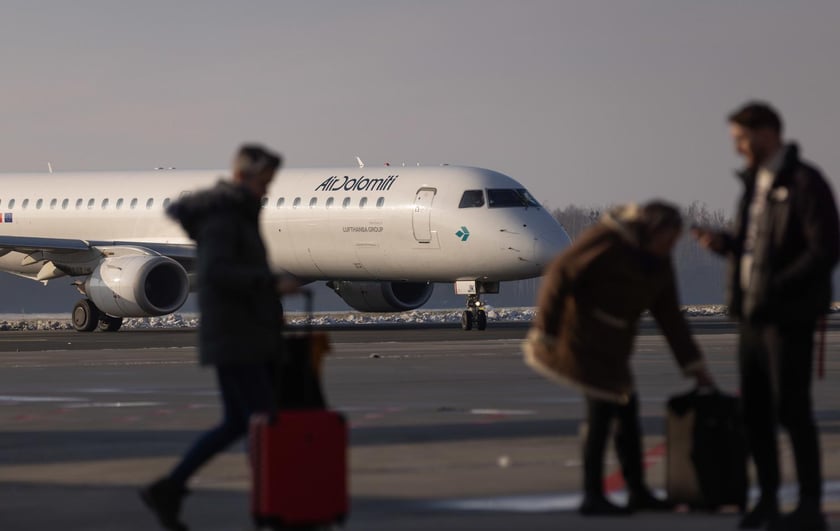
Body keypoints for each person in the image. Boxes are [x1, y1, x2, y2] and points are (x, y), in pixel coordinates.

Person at [693, 101, 839, 531]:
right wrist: (724, 244)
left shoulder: (805, 182)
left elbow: (825, 249)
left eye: (742, 138)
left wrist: (779, 284)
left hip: (789, 316)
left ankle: (809, 506)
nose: (737, 147)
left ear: (768, 133)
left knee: (792, 410)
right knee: (755, 413)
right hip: (753, 315)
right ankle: (769, 500)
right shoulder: (754, 184)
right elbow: (753, 247)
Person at [523, 201, 714, 516]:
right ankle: (593, 495)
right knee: (601, 414)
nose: (670, 246)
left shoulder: (658, 261)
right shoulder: (609, 241)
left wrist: (694, 367)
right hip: (582, 340)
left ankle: (637, 491)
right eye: (667, 239)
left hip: (614, 347)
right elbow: (560, 273)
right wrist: (545, 331)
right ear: (651, 230)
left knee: (627, 412)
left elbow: (671, 319)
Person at [139, 144, 287, 531]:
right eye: (264, 181)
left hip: (240, 334)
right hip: (236, 335)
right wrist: (268, 282)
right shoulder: (224, 219)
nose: (268, 189)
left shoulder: (237, 214)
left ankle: (170, 489)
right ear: (242, 177)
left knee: (240, 422)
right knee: (263, 421)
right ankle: (274, 502)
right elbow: (216, 273)